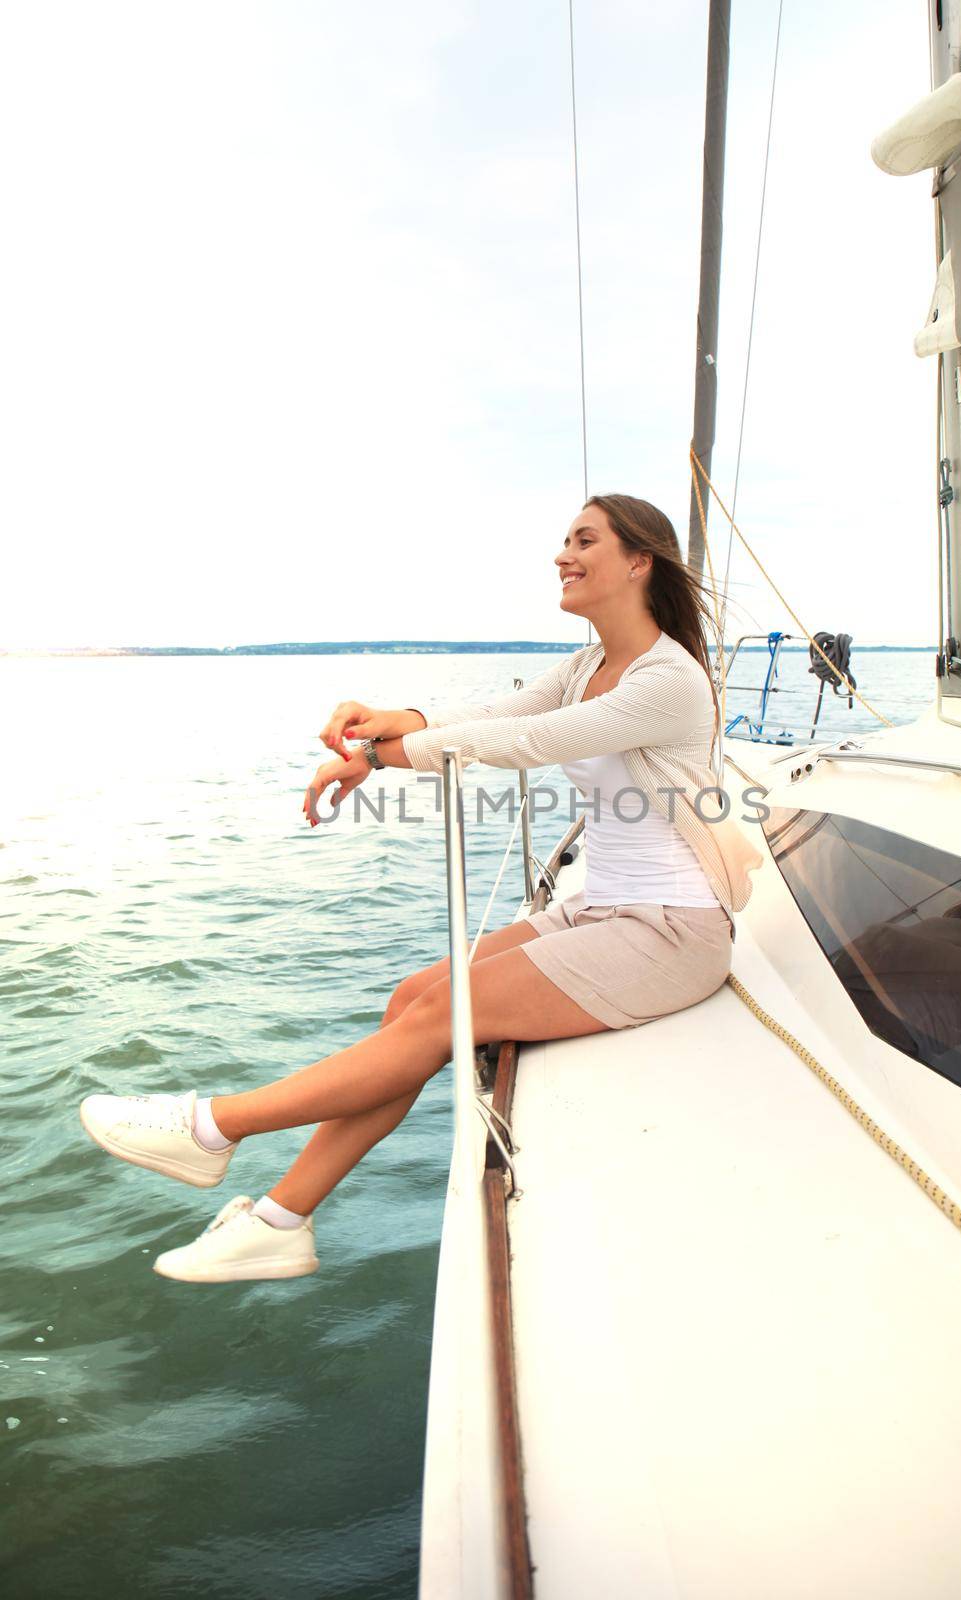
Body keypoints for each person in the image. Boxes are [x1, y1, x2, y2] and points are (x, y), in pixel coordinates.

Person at [79, 494, 762, 1283]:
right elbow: (495, 709)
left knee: (447, 1013)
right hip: (598, 908)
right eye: (564, 540)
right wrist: (388, 718)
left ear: (638, 561)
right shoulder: (587, 666)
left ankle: (210, 1126)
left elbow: (528, 741)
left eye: (583, 541)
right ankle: (280, 1220)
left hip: (672, 931)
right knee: (415, 996)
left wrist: (375, 760)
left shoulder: (667, 680)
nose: (561, 554)